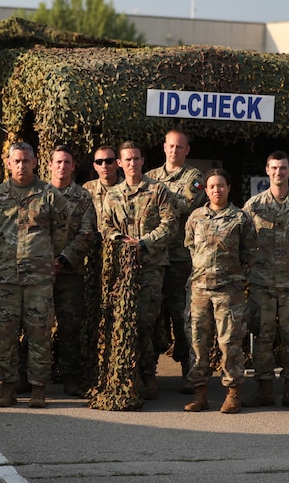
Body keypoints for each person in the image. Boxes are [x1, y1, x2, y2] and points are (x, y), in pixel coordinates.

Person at [0, 141, 72, 409]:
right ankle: (8, 388)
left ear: (35, 162)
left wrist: (43, 255)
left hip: (39, 281)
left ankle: (38, 390)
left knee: (40, 335)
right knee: (4, 335)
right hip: (6, 280)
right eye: (16, 161)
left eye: (26, 161)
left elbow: (62, 230)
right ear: (8, 164)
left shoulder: (50, 195)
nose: (21, 165)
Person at [97, 140, 178, 401]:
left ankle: (148, 373)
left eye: (136, 158)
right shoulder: (112, 195)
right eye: (127, 159)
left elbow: (170, 224)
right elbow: (105, 226)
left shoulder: (158, 191)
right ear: (120, 163)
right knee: (123, 320)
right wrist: (123, 242)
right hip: (122, 268)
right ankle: (127, 372)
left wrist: (143, 243)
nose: (132, 163)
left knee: (146, 320)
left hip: (151, 266)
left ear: (143, 161)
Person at [242, 150, 289, 410]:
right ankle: (264, 388)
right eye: (274, 168)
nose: (278, 172)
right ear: (267, 170)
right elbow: (244, 242)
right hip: (262, 282)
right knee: (262, 336)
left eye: (283, 168)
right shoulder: (254, 206)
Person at [183, 168, 256, 414]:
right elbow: (190, 247)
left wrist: (233, 276)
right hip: (199, 291)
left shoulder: (240, 218)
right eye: (212, 186)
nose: (217, 190)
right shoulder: (196, 217)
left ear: (229, 188)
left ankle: (233, 394)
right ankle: (200, 394)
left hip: (229, 292)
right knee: (198, 343)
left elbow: (249, 252)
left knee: (230, 343)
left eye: (221, 185)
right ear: (206, 189)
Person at [145, 128, 206, 391]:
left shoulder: (194, 177)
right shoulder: (151, 177)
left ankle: (187, 372)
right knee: (152, 315)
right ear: (164, 147)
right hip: (155, 258)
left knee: (183, 316)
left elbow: (187, 206)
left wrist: (158, 202)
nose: (174, 150)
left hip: (180, 258)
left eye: (180, 147)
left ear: (187, 150)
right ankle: (149, 373)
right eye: (171, 146)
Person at [47, 145, 99, 398]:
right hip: (38, 274)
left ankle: (70, 377)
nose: (62, 166)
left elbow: (87, 233)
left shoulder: (83, 197)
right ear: (49, 165)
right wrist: (44, 260)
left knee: (70, 327)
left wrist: (64, 259)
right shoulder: (36, 193)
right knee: (34, 327)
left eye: (67, 162)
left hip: (70, 273)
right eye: (58, 162)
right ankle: (31, 376)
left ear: (73, 166)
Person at [82, 144, 121, 217]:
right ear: (95, 166)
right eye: (99, 162)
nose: (104, 166)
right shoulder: (87, 189)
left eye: (109, 161)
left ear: (117, 163)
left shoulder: (128, 189)